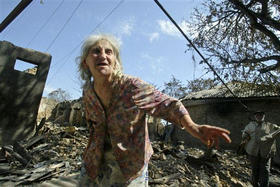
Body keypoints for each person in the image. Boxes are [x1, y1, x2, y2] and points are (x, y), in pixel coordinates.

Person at [77, 34, 232, 186]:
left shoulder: (132, 87)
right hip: (95, 159)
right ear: (85, 62)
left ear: (115, 62)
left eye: (108, 52)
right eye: (96, 51)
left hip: (129, 163)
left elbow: (167, 104)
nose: (103, 56)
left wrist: (193, 126)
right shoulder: (88, 93)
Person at [242, 111, 280, 187]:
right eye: (257, 115)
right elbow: (244, 134)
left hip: (265, 152)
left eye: (261, 115)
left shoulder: (270, 126)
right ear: (255, 116)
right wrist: (245, 135)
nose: (259, 116)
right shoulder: (250, 125)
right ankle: (254, 185)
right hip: (253, 151)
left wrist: (267, 137)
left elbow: (278, 130)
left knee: (265, 171)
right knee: (254, 170)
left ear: (264, 116)